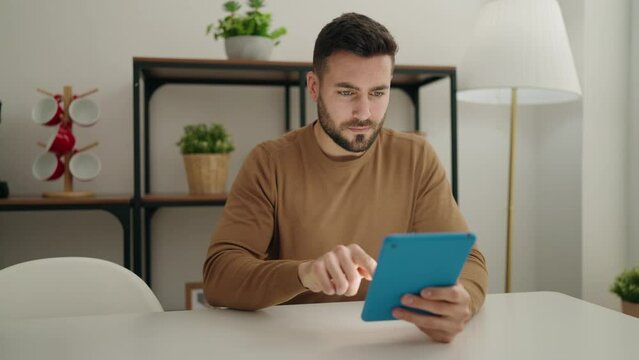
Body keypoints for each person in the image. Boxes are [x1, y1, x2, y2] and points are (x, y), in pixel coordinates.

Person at [203, 12, 488, 343]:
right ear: (314, 86)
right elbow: (219, 275)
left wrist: (461, 298)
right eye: (346, 92)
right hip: (293, 344)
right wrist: (304, 273)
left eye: (378, 93)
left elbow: (469, 261)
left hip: (391, 342)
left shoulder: (416, 157)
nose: (364, 113)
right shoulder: (269, 162)